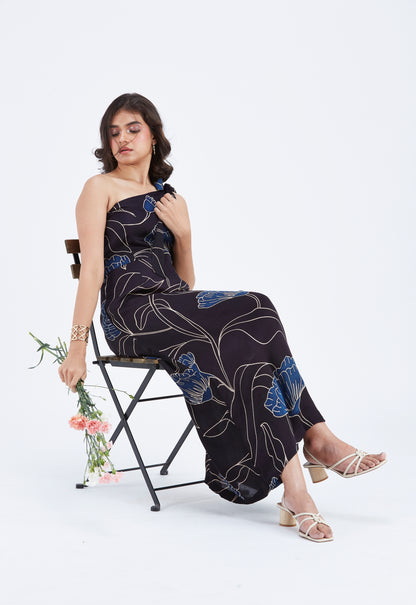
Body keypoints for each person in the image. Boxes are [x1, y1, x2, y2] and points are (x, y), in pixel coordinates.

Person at [58, 93, 387, 543]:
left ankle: (298, 483)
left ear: (153, 135)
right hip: (132, 316)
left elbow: (186, 284)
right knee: (251, 309)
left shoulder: (170, 198)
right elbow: (93, 272)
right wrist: (77, 347)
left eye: (133, 128)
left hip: (174, 308)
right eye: (114, 132)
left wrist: (184, 234)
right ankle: (315, 441)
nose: (122, 139)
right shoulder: (99, 188)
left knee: (253, 319)